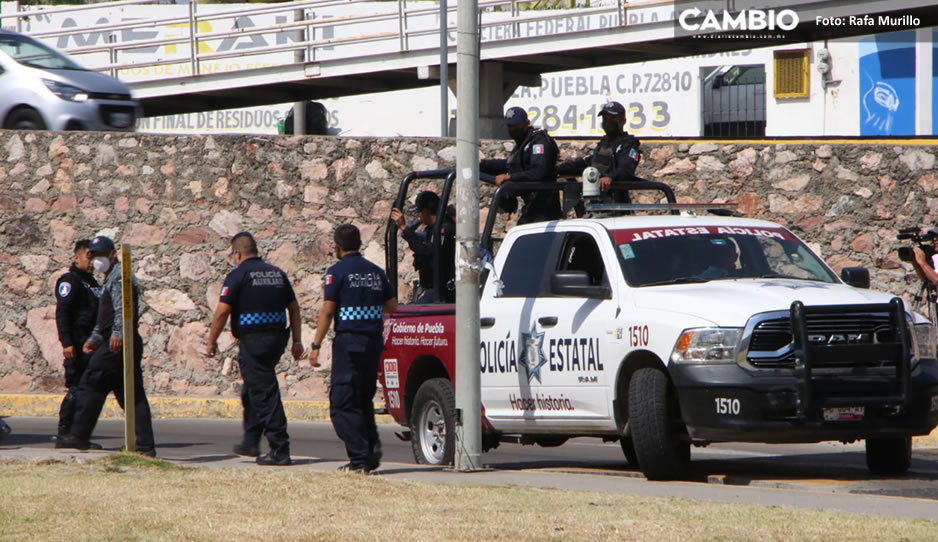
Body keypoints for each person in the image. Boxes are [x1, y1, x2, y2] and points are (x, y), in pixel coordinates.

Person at [208, 232, 305, 466]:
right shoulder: (277, 273)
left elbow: (222, 312)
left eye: (233, 254)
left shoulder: (238, 275)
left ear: (238, 254)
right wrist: (297, 341)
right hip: (276, 339)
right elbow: (294, 308)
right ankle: (251, 441)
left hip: (254, 341)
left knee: (264, 393)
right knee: (252, 389)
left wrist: (211, 341)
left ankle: (280, 448)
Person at [309, 224, 397, 473]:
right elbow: (392, 307)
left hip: (349, 342)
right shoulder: (376, 272)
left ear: (337, 246)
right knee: (362, 400)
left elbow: (328, 310)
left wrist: (315, 345)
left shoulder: (337, 272)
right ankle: (369, 452)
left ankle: (359, 458)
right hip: (373, 342)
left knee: (342, 403)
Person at [58, 235, 156, 456]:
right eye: (93, 256)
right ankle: (144, 445)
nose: (95, 261)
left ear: (112, 254)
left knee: (91, 382)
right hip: (112, 341)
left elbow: (124, 308)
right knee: (130, 394)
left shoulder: (121, 276)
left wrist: (117, 333)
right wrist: (94, 339)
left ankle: (79, 435)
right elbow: (105, 316)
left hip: (118, 343)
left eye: (100, 256)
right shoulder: (109, 277)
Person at [53, 239, 103, 447]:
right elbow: (63, 313)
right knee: (76, 388)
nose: (92, 262)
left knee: (87, 389)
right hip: (77, 343)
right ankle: (65, 433)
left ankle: (79, 435)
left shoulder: (92, 284)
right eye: (88, 257)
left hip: (91, 345)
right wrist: (66, 342)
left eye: (95, 258)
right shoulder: (70, 281)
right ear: (76, 257)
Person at [480, 106, 562, 224]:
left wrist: (510, 177)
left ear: (526, 123)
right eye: (509, 126)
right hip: (532, 205)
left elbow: (539, 171)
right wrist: (482, 164)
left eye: (515, 126)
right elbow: (511, 164)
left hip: (544, 206)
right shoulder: (523, 143)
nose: (511, 129)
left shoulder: (539, 142)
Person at [557, 101, 642, 201]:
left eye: (612, 118)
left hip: (617, 203)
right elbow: (587, 164)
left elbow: (626, 168)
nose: (608, 122)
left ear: (623, 121)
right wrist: (556, 170)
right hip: (597, 200)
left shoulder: (629, 144)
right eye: (605, 119)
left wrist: (610, 178)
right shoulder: (604, 143)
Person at [389, 190, 456, 303]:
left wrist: (404, 227)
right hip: (431, 286)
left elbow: (428, 251)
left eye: (419, 212)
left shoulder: (444, 228)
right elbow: (415, 239)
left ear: (426, 211)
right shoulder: (432, 228)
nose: (418, 215)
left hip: (443, 288)